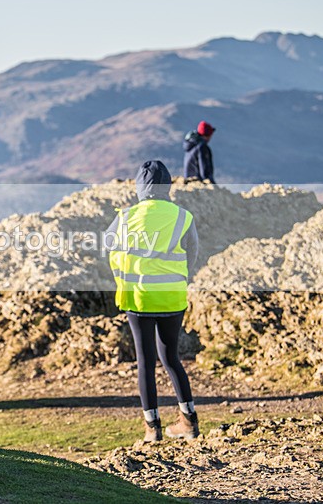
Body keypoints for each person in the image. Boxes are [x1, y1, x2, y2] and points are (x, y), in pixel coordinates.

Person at [107, 160, 201, 442]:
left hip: (138, 298)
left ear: (139, 186)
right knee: (171, 357)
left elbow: (109, 247)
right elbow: (192, 254)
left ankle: (152, 428)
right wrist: (180, 277)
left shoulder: (125, 217)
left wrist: (121, 276)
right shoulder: (183, 216)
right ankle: (189, 422)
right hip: (173, 297)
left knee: (145, 362)